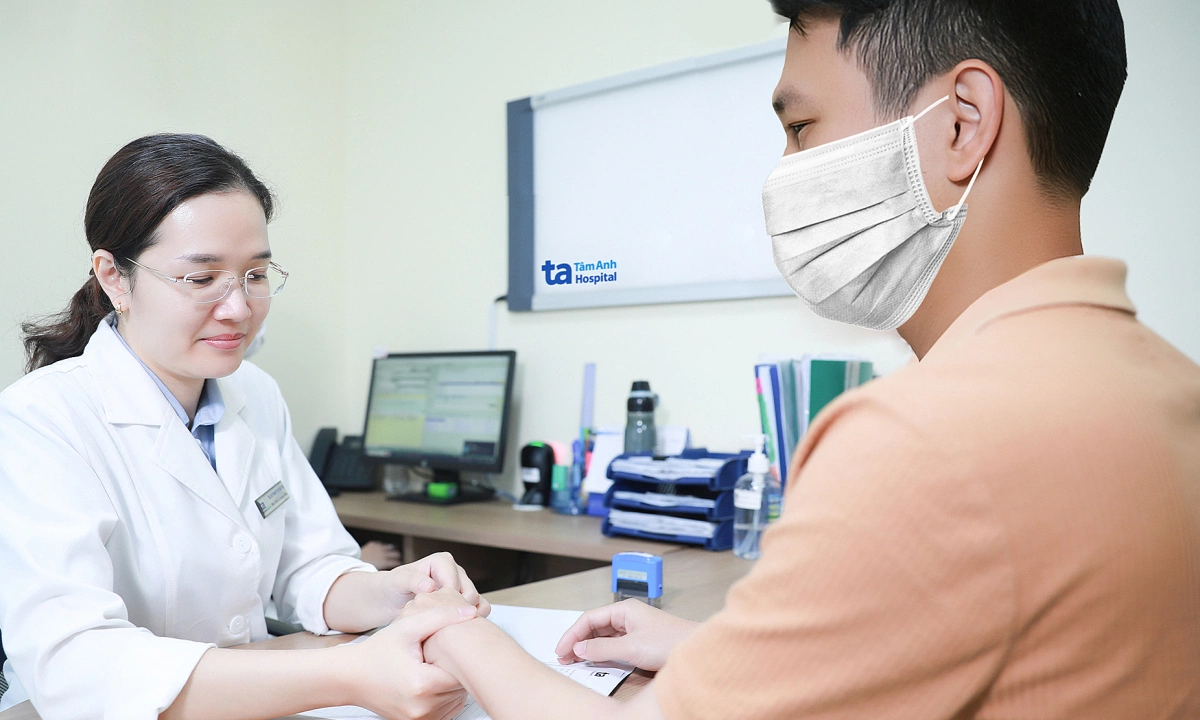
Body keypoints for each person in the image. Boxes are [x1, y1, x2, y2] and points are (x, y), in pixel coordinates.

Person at [398, 1, 1200, 718]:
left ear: (963, 122)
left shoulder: (926, 442)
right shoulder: (1167, 390)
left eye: (800, 129)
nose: (785, 175)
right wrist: (715, 655)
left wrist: (464, 637)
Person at [0, 134, 488, 720]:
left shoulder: (254, 394)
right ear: (114, 278)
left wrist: (392, 592)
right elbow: (77, 664)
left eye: (255, 274)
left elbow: (307, 567)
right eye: (201, 279)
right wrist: (347, 673)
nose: (238, 309)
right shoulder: (39, 420)